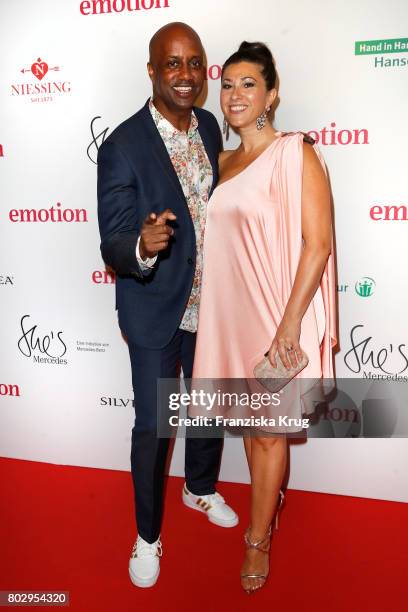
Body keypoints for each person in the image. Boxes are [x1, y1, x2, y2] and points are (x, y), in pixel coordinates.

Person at [97, 22, 238, 589]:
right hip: (156, 309)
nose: (184, 75)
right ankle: (148, 535)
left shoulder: (208, 125)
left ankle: (199, 488)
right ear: (152, 71)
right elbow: (112, 240)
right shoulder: (122, 145)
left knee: (206, 410)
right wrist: (141, 246)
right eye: (171, 64)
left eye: (193, 63)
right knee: (154, 427)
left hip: (214, 304)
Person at [192, 41, 337, 594]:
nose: (235, 94)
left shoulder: (295, 153)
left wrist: (289, 323)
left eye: (249, 84)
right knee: (254, 430)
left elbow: (317, 245)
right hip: (230, 315)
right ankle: (268, 505)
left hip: (278, 311)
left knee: (270, 433)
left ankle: (257, 539)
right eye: (228, 84)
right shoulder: (223, 161)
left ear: (272, 94)